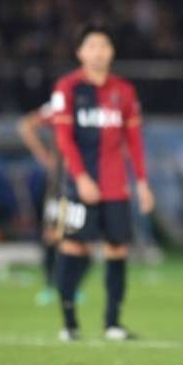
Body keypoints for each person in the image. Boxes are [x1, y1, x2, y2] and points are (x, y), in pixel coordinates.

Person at [50, 24, 155, 341]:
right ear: (80, 52)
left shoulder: (123, 91)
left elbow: (134, 142)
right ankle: (69, 324)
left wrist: (141, 183)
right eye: (92, 45)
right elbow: (64, 140)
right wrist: (81, 178)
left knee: (117, 249)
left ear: (111, 52)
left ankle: (112, 323)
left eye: (104, 45)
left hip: (115, 187)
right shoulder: (66, 88)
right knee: (72, 246)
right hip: (77, 186)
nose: (98, 51)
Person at [17, 103, 63, 306]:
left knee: (78, 235)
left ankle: (69, 285)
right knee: (52, 232)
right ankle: (50, 286)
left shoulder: (96, 102)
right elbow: (25, 125)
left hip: (87, 177)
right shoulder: (60, 103)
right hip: (60, 179)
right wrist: (43, 155)